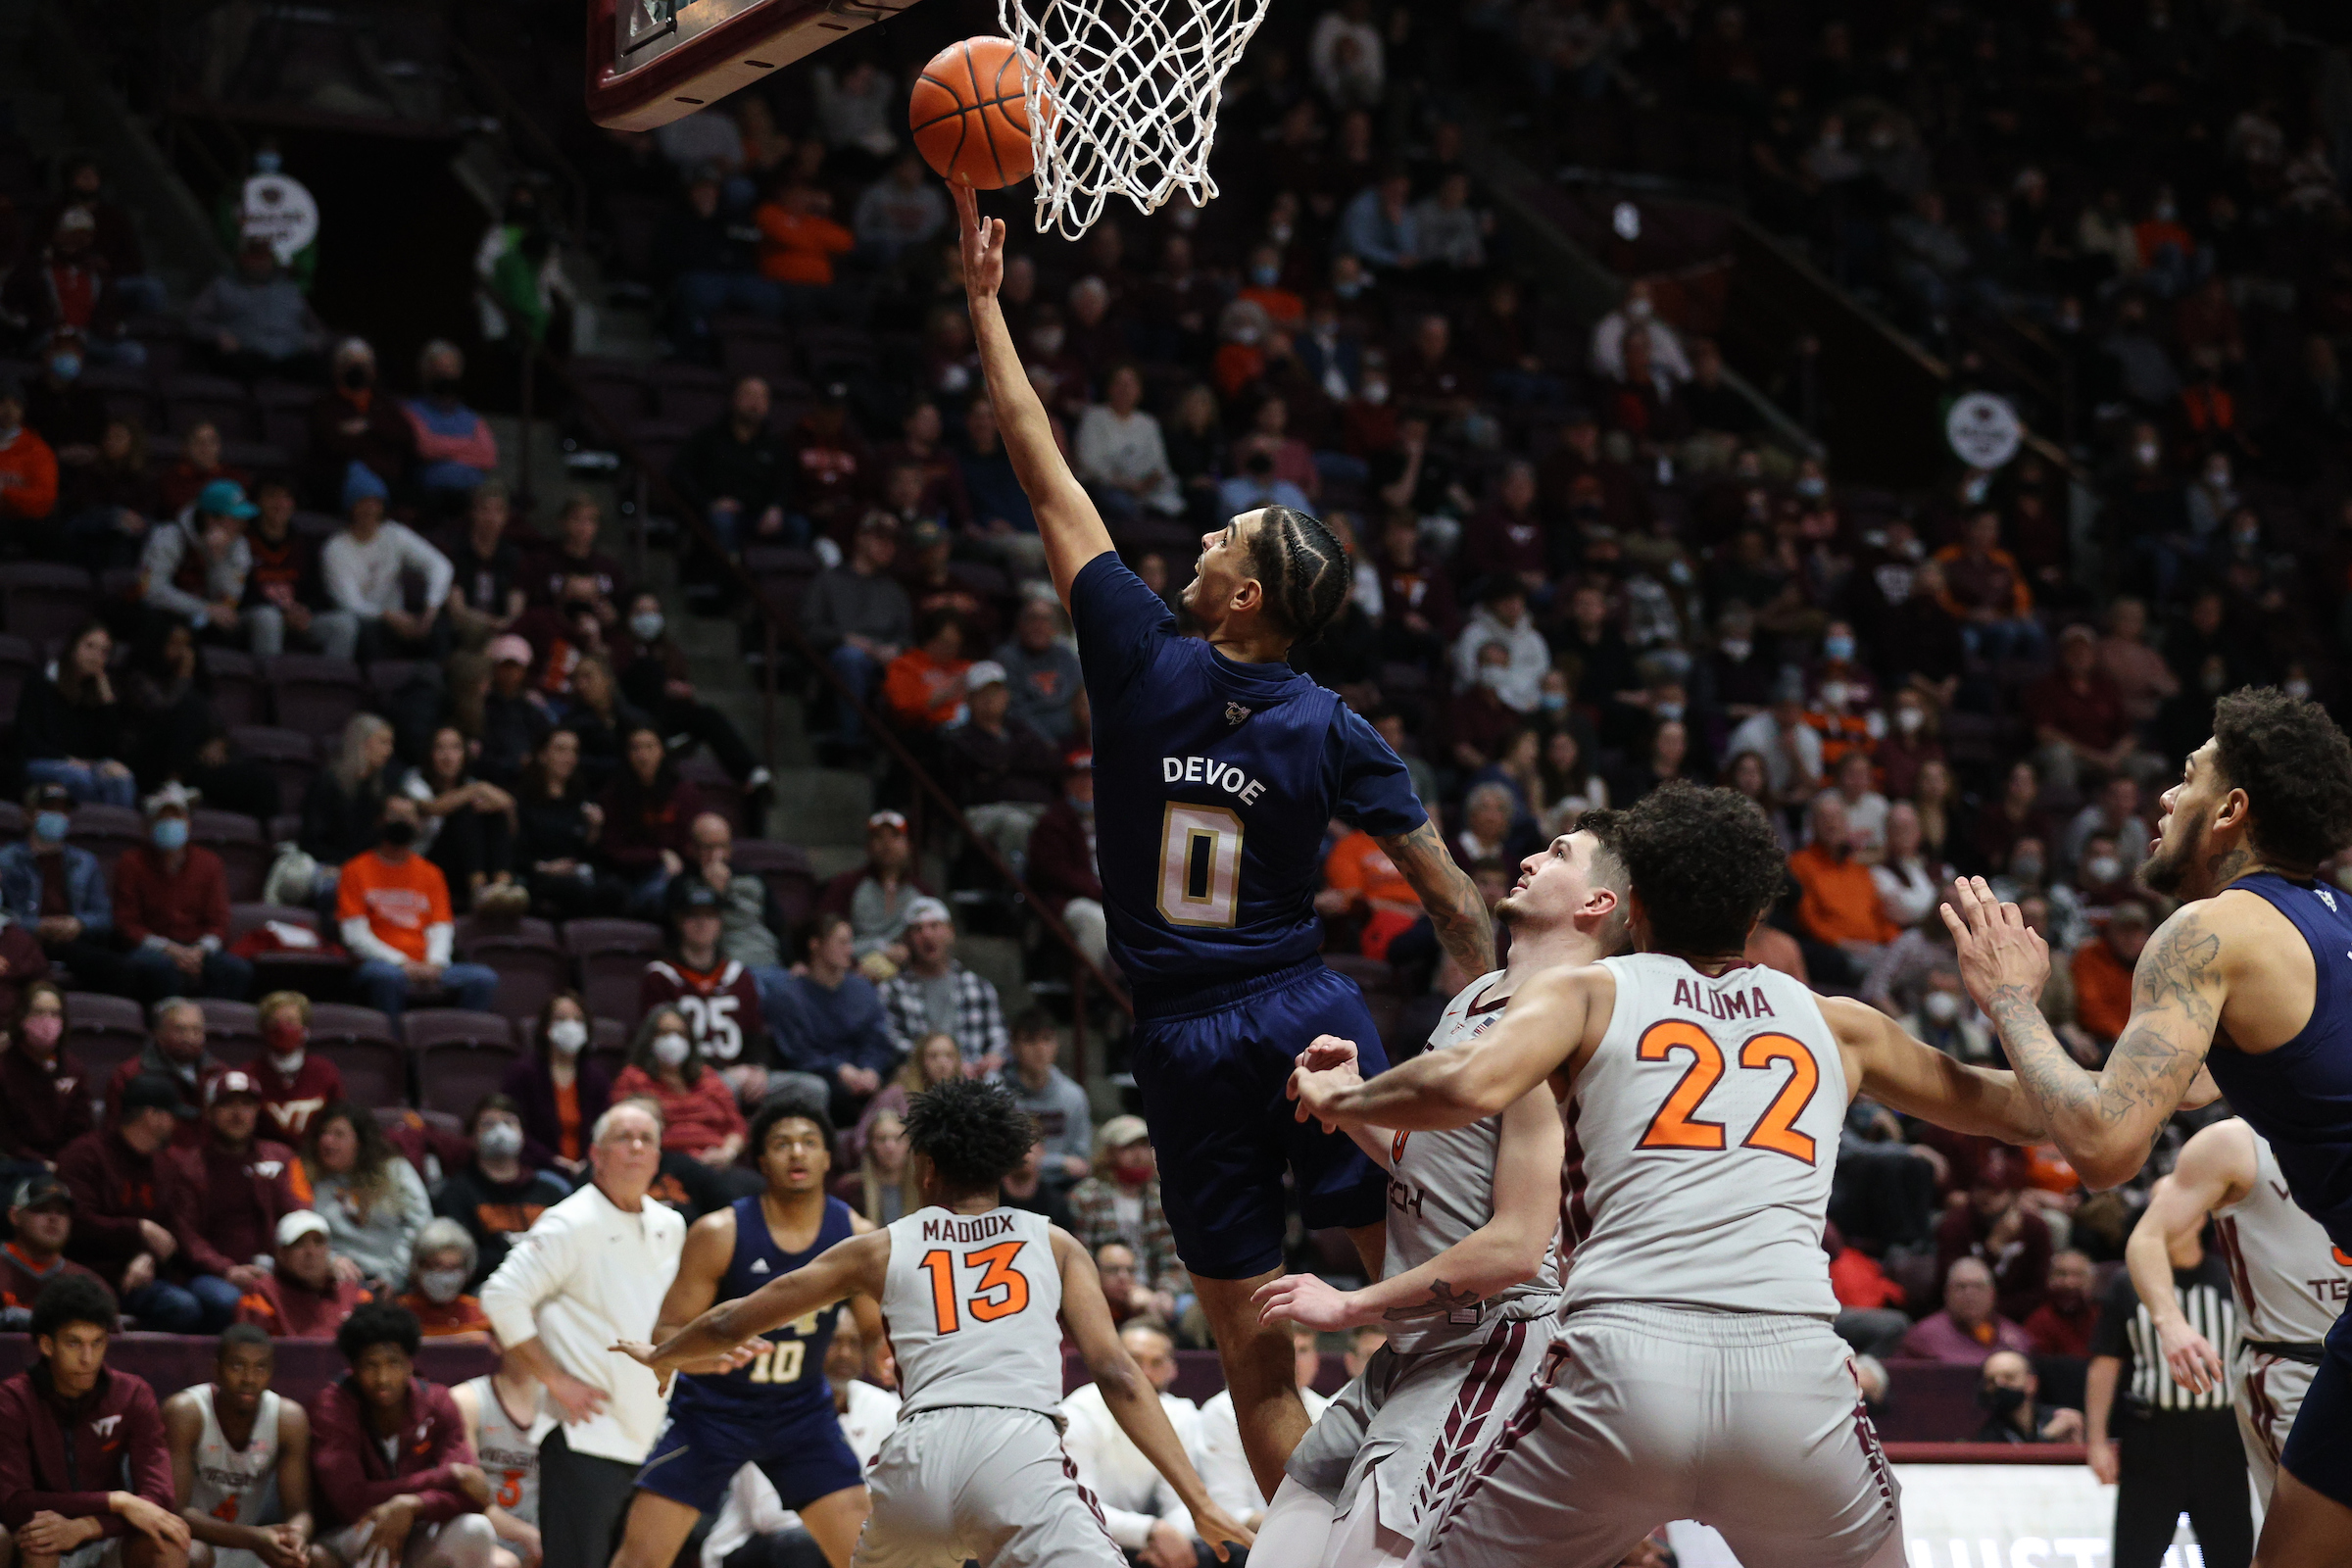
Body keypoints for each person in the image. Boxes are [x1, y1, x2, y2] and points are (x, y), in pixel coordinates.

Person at [955, 180, 1491, 1499]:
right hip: (1313, 1012)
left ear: (1240, 595)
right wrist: (1489, 1037)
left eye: (1224, 537)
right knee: (1410, 1303)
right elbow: (1457, 903)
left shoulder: (1141, 656)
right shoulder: (1337, 726)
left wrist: (983, 306)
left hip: (1188, 1038)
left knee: (1257, 1364)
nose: (1200, 536)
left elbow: (1043, 468)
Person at [1289, 780, 2051, 1568]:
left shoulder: (1589, 993)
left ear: (1636, 905)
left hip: (1622, 1361)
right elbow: (2037, 1111)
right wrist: (2015, 1003)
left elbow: (1464, 1087)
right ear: (1757, 916)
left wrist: (1347, 1095)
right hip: (1791, 1373)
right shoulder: (1836, 1021)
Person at [1941, 688, 2352, 1559]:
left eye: (2189, 776)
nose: (2164, 797)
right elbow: (2148, 1091)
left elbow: (2100, 1145)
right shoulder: (2335, 923)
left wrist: (2012, 999)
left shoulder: (2206, 932)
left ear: (2232, 811)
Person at [612, 1078, 1251, 1568]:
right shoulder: (1055, 1244)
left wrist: (663, 1353)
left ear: (925, 1168)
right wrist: (1197, 1500)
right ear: (1005, 1165)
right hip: (1017, 1448)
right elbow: (1116, 1372)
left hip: (915, 1457)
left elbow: (729, 1320)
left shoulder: (878, 1245)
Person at [1253, 823, 1612, 1568]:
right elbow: (1426, 1161)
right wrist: (1352, 1102)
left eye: (1559, 856)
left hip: (1491, 1343)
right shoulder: (1479, 996)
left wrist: (1354, 1306)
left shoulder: (1562, 1031)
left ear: (1598, 902)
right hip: (1414, 1343)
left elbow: (1516, 1248)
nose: (1529, 858)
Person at [610, 1100, 880, 1568]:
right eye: (781, 1144)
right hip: (714, 1412)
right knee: (641, 1558)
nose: (796, 1153)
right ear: (760, 1161)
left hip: (801, 1413)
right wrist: (706, 1359)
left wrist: (885, 1352)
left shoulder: (855, 1235)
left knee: (868, 1557)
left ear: (827, 1159)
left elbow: (878, 1330)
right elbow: (669, 1332)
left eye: (809, 1143)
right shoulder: (719, 1232)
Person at [478, 1102, 685, 1568]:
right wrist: (555, 1380)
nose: (636, 1147)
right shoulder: (569, 1221)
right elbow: (500, 1297)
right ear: (596, 1153)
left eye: (646, 1139)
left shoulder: (671, 1225)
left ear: (657, 1157)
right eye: (622, 1137)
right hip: (586, 1436)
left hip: (658, 1435)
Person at [2123, 1116, 2347, 1509]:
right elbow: (2147, 1238)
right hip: (2295, 1368)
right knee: (2314, 1541)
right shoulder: (2234, 1143)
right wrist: (2172, 1325)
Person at [2085, 1216, 2248, 1568]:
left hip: (2222, 1438)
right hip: (2152, 1435)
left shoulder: (2232, 1278)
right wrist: (2096, 1441)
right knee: (2135, 1556)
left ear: (2200, 1215)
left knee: (2233, 1555)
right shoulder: (2126, 1283)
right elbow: (2105, 1363)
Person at [0, 1274, 190, 1568]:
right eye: (74, 1344)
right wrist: (116, 1501)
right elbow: (14, 1504)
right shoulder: (13, 1398)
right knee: (40, 1542)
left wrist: (89, 1525)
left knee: (167, 1546)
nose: (88, 1358)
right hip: (42, 1532)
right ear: (47, 1345)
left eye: (98, 1343)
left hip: (106, 1533)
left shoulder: (132, 1393)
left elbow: (160, 1497)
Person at [308, 1303, 500, 1568]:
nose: (383, 1378)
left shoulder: (438, 1401)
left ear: (410, 1364)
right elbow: (351, 1502)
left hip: (416, 1525)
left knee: (476, 1528)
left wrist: (413, 1505)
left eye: (393, 1363)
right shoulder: (331, 1407)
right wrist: (445, 1475)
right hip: (347, 1531)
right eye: (370, 1366)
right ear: (353, 1368)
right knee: (381, 1534)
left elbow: (473, 1494)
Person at [699, 1317, 900, 1568]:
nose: (845, 1354)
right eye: (834, 1342)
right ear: (810, 1347)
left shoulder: (884, 1408)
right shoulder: (772, 1404)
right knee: (806, 1545)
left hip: (850, 1533)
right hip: (751, 1545)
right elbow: (768, 1515)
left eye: (855, 1343)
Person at [58, 1073, 227, 1332]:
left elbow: (171, 1230)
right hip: (95, 1274)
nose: (175, 1125)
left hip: (152, 1274)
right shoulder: (84, 1156)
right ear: (152, 1116)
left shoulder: (164, 1166)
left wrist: (147, 1254)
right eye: (172, 1116)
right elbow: (77, 1224)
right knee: (181, 1307)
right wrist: (139, 1230)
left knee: (224, 1301)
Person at [163, 1325, 318, 1568]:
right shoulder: (186, 1412)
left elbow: (300, 1510)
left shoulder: (288, 1419)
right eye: (237, 1366)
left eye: (260, 1368)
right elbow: (174, 1511)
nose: (249, 1378)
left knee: (308, 1558)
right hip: (191, 1539)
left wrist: (296, 1535)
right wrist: (253, 1538)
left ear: (271, 1372)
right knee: (194, 1556)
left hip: (250, 1544)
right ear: (217, 1369)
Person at [336, 796, 500, 1022]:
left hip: (428, 964)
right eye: (396, 816)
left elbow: (441, 927)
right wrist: (402, 963)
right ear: (381, 821)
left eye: (408, 816)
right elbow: (355, 934)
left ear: (419, 824)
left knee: (484, 978)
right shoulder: (355, 870)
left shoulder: (431, 873)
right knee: (386, 977)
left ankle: (457, 1046)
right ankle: (392, 1047)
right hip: (382, 964)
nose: (403, 822)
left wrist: (435, 963)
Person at [1058, 1322, 1205, 1562]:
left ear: (1173, 1370)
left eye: (1156, 1363)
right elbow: (1078, 1507)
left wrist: (1171, 1539)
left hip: (1143, 1545)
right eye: (1134, 1360)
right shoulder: (1078, 1413)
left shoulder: (1183, 1415)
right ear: (1112, 1361)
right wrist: (1151, 1532)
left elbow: (1183, 1503)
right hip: (1076, 1542)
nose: (1144, 1373)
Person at [168, 1070, 304, 1303]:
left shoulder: (283, 1158)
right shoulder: (189, 1167)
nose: (238, 1114)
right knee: (228, 1301)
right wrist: (227, 1270)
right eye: (227, 1105)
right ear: (209, 1112)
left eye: (246, 1105)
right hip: (213, 1275)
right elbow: (187, 1235)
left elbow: (301, 1215)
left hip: (280, 1270)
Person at [117, 784, 252, 1003]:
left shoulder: (209, 863)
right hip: (153, 948)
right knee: (158, 967)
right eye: (163, 818)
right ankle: (164, 1026)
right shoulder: (131, 863)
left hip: (197, 947)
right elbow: (126, 923)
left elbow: (219, 920)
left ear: (188, 824)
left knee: (238, 971)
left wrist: (199, 951)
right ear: (149, 826)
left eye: (176, 817)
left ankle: (209, 1024)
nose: (170, 824)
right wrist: (169, 950)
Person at [642, 877, 772, 1102]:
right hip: (689, 1077)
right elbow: (659, 1042)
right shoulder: (661, 975)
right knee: (725, 1087)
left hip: (743, 1075)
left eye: (710, 916)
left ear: (720, 923)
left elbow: (755, 1034)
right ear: (680, 921)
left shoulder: (739, 975)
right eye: (694, 916)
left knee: (808, 1087)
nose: (703, 923)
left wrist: (759, 1069)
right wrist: (721, 1072)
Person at [800, 515, 913, 755]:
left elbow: (907, 637)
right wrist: (845, 638)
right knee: (850, 658)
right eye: (880, 538)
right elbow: (809, 629)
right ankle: (850, 741)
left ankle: (901, 751)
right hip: (840, 656)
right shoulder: (828, 581)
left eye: (893, 542)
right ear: (861, 538)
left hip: (884, 659)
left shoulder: (895, 591)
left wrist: (895, 649)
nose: (888, 546)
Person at [770, 914, 900, 1123]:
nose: (850, 950)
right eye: (842, 942)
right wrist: (838, 1069)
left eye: (850, 942)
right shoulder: (788, 996)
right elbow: (796, 1052)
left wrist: (871, 1069)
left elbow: (876, 1039)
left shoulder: (863, 989)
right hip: (822, 1083)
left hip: (865, 1080)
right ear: (815, 945)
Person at [432, 1096, 570, 1289]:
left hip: (552, 1286)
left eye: (509, 1123)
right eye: (488, 1124)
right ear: (472, 1138)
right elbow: (461, 1259)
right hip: (489, 1288)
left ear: (522, 1134)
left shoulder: (552, 1190)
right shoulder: (455, 1193)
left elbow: (571, 1247)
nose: (500, 1131)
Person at [0, 788, 126, 998]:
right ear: (28, 814)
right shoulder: (6, 861)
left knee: (119, 968)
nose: (56, 816)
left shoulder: (85, 861)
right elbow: (2, 912)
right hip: (24, 941)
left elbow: (104, 915)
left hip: (73, 941)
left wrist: (78, 923)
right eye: (48, 809)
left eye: (62, 811)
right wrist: (36, 925)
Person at [320, 465, 455, 662]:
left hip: (402, 620)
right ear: (351, 507)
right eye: (363, 502)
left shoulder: (394, 534)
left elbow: (440, 566)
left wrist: (431, 608)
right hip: (368, 622)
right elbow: (349, 603)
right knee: (368, 633)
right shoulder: (335, 548)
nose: (370, 509)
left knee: (440, 628)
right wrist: (387, 615)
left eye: (375, 502)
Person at [301, 1103, 429, 1297]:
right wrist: (329, 1259)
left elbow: (421, 1223)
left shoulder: (395, 1171)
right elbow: (304, 1232)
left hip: (395, 1276)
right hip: (337, 1279)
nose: (326, 1141)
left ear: (360, 1142)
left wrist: (396, 1274)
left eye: (338, 1134)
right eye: (323, 1133)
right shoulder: (311, 1179)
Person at [1065, 1118, 1184, 1327]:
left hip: (1153, 1291)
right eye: (1128, 1147)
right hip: (1102, 1288)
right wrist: (1117, 1290)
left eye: (1142, 1146)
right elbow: (1081, 1257)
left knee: (1186, 1308)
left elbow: (1173, 1259)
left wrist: (1165, 1293)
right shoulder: (1086, 1198)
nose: (1138, 1155)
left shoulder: (1161, 1199)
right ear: (1109, 1153)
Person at [611, 1007, 749, 1174]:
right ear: (649, 1039)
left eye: (680, 1034)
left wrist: (727, 1153)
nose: (673, 1040)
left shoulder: (707, 1076)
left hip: (716, 1164)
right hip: (664, 1166)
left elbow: (737, 1127)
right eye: (664, 1033)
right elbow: (623, 1128)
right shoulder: (633, 1078)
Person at [874, 899, 1006, 1073]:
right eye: (918, 929)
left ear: (950, 932)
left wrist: (992, 1058)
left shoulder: (979, 987)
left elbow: (999, 1039)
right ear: (907, 939)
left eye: (935, 926)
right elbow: (891, 1042)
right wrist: (948, 1067)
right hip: (920, 1080)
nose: (927, 935)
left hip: (975, 1080)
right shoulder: (892, 990)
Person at [449, 1349, 553, 1568]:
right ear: (496, 1341)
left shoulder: (563, 1403)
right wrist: (525, 1534)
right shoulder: (466, 1400)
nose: (529, 1344)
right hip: (479, 1529)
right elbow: (462, 1492)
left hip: (542, 1535)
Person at [20, 620, 138, 808]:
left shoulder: (98, 691)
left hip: (86, 765)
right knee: (78, 777)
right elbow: (27, 738)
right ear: (73, 647)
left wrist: (107, 702)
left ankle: (115, 832)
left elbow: (111, 750)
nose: (95, 656)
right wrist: (69, 760)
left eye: (103, 651)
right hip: (44, 760)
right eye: (90, 646)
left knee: (121, 777)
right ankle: (95, 831)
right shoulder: (42, 681)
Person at [1933, 1147, 2052, 1325]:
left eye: (1996, 1191)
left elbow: (2038, 1289)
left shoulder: (2035, 1229)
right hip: (1962, 1318)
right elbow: (1949, 1284)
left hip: (2018, 1319)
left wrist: (2000, 1315)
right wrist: (1993, 1247)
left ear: (2014, 1195)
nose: (1985, 1196)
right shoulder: (1955, 1225)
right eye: (1981, 1187)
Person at [501, 994, 609, 1179]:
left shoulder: (596, 1077)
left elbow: (605, 1127)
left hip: (588, 1168)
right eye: (561, 1018)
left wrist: (587, 1162)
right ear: (546, 1028)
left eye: (578, 1020)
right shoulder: (523, 1073)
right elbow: (513, 1126)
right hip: (537, 1168)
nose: (571, 1026)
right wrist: (552, 1161)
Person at [600, 727, 704, 916]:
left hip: (672, 874)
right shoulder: (614, 794)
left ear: (662, 750)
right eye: (636, 748)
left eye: (649, 747)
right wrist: (658, 855)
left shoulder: (684, 793)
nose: (643, 755)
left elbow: (688, 847)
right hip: (628, 875)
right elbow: (612, 849)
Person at [815, 812, 934, 974]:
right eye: (879, 837)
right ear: (868, 846)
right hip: (852, 972)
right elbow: (826, 933)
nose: (887, 844)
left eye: (895, 836)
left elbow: (933, 938)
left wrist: (909, 953)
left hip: (908, 976)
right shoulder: (846, 885)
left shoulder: (921, 891)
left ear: (909, 845)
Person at [102, 1000, 225, 1149]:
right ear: (158, 1033)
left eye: (196, 1030)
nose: (189, 1038)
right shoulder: (130, 1075)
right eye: (180, 1030)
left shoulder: (220, 1073)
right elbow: (116, 1133)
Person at [232, 1210, 371, 1339]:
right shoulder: (262, 1293)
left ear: (329, 1250)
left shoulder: (353, 1294)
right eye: (298, 1244)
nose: (311, 1252)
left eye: (318, 1242)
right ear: (281, 1253)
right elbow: (249, 1352)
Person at [0, 985, 93, 1167]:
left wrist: (67, 1162)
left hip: (66, 1162)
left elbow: (81, 1128)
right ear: (22, 1017)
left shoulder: (73, 1068)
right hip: (16, 1163)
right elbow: (5, 1137)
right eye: (39, 1012)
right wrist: (40, 1163)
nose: (47, 1021)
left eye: (54, 1014)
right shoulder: (4, 1069)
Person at [995, 1011, 1091, 1183]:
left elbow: (1081, 1160)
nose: (1039, 1049)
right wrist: (1060, 1162)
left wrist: (1040, 1162)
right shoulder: (997, 1093)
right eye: (1030, 1041)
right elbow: (999, 1157)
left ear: (1057, 1045)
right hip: (1010, 1187)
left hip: (1061, 1189)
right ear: (1014, 1047)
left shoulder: (1073, 1096)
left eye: (1046, 1040)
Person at [0, 1174, 104, 1327]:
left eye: (61, 1212)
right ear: (14, 1215)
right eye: (41, 1210)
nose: (53, 1218)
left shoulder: (89, 1284)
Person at [250, 992, 346, 1145]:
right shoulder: (250, 1075)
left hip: (316, 1159)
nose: (282, 1029)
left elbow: (340, 1120)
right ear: (263, 1029)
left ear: (305, 1029)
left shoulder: (324, 1071)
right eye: (275, 1022)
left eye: (290, 1022)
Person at [1898, 1258, 2034, 1363]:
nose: (1969, 1294)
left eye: (1978, 1286)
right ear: (1946, 1294)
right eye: (1961, 1287)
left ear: (1992, 1293)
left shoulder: (2016, 1338)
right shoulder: (1922, 1337)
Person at [394, 1218, 490, 1339]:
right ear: (418, 1266)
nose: (445, 1276)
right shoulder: (398, 1313)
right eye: (437, 1266)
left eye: (454, 1267)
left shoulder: (481, 1314)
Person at [1972, 1350, 2083, 1445]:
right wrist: (2047, 1437)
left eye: (2009, 1377)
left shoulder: (2057, 1417)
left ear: (2031, 1383)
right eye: (1991, 1381)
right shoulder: (1986, 1437)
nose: (2000, 1385)